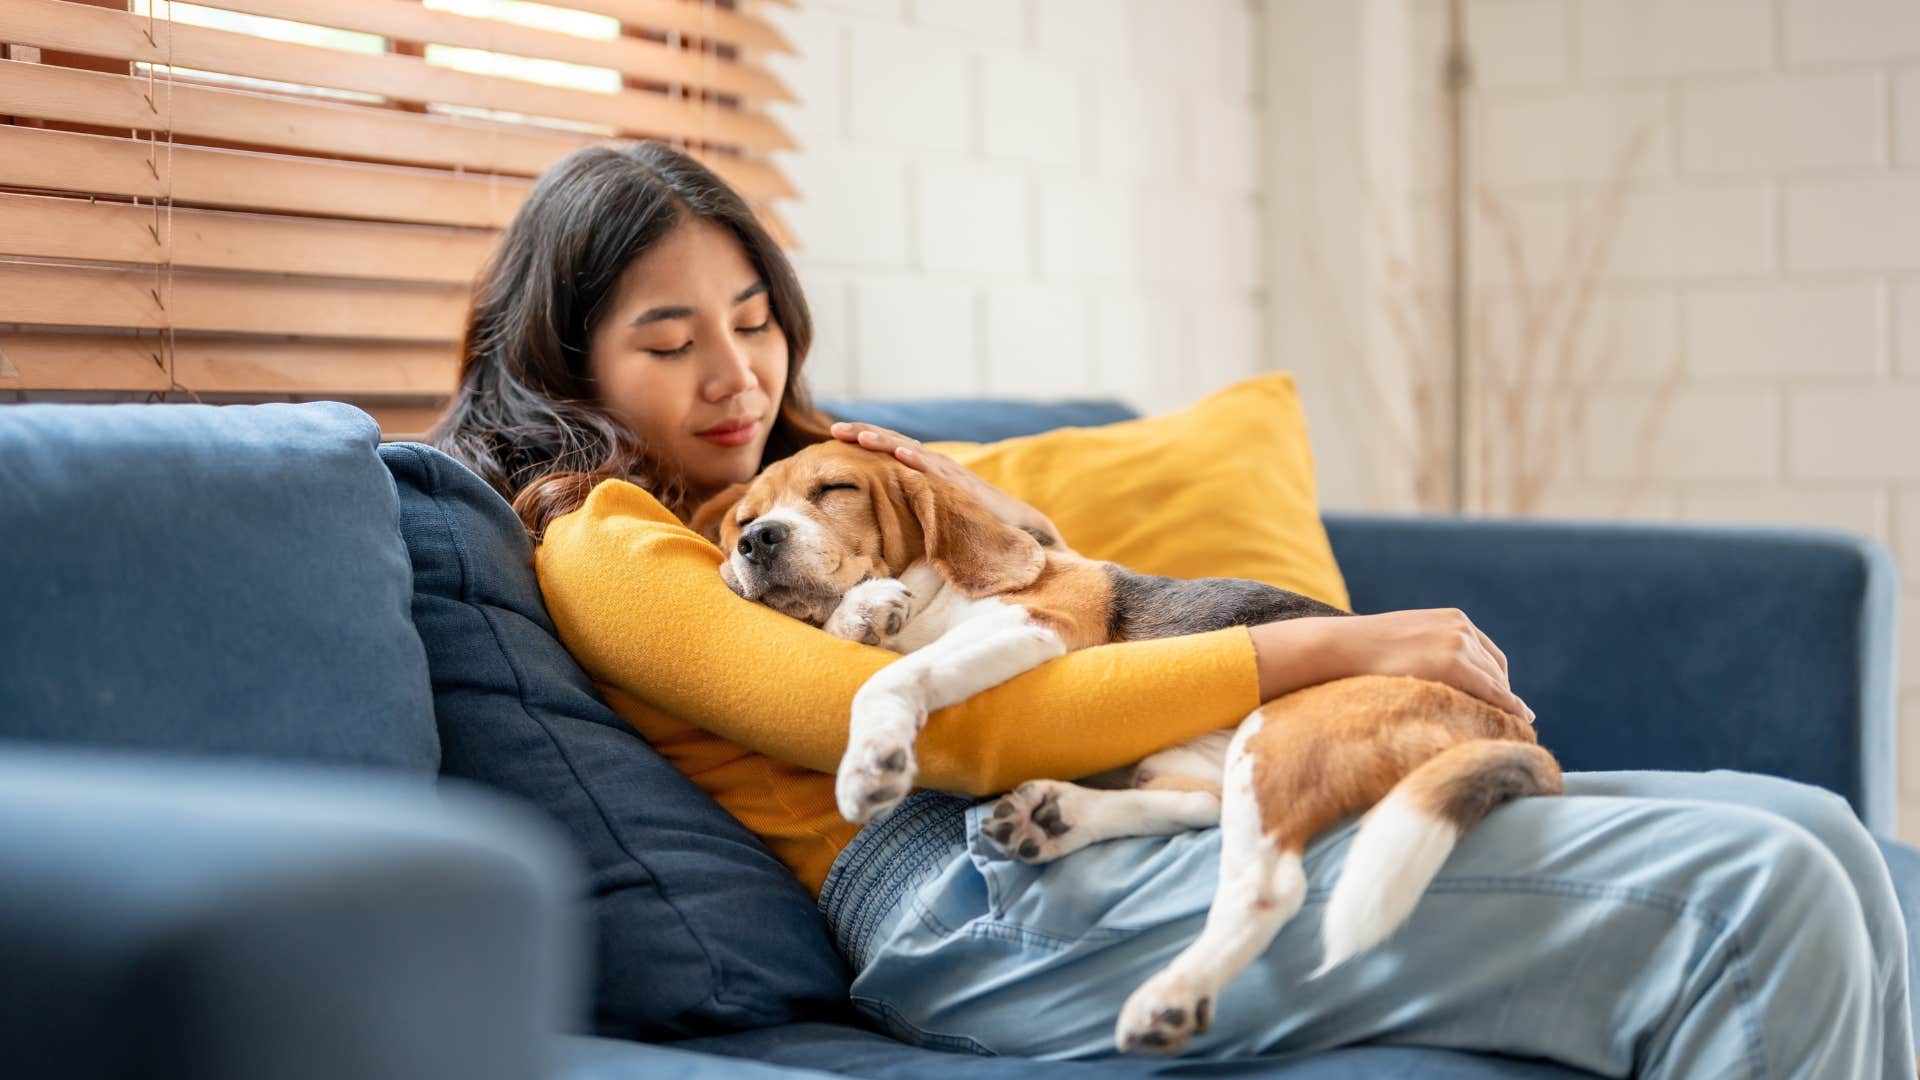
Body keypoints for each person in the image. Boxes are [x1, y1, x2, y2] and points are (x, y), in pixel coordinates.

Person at [431, 142, 1913, 1078]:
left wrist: (938, 484)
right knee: (1755, 900)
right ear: (568, 365)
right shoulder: (607, 542)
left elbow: (1037, 575)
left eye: (754, 323)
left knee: (1822, 835)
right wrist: (1332, 642)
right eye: (671, 340)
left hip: (1121, 811)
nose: (735, 376)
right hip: (968, 894)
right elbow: (927, 734)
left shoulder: (823, 478)